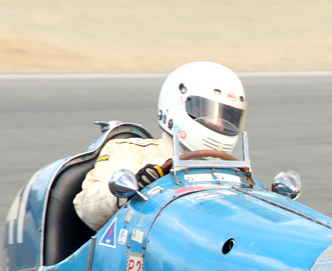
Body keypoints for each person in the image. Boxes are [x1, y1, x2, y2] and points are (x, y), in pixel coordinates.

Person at [74, 61, 248, 231]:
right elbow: (85, 208)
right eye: (207, 112)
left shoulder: (236, 174)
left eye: (229, 117)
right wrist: (131, 188)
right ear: (175, 105)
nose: (219, 124)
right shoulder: (127, 151)